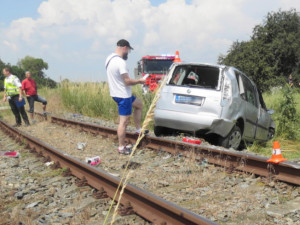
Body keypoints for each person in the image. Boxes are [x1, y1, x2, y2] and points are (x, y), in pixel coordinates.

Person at [105, 39, 146, 155]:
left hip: (116, 93)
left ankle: (138, 130)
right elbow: (127, 81)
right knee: (124, 122)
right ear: (124, 48)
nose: (128, 53)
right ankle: (121, 147)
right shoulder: (120, 62)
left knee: (139, 104)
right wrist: (139, 81)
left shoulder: (109, 59)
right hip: (123, 95)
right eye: (128, 50)